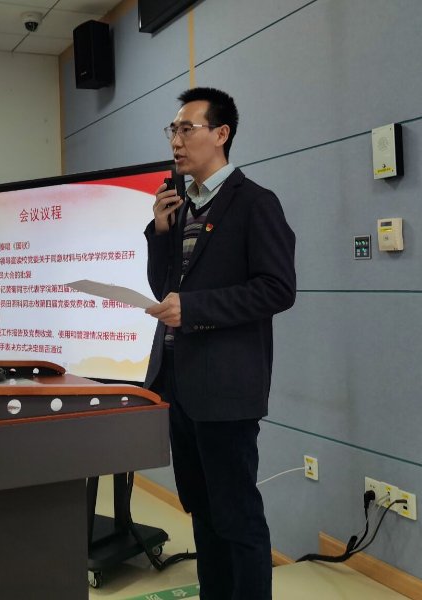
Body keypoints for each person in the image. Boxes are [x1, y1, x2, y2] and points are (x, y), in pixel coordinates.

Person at [143, 87, 296, 599]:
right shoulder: (180, 205)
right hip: (179, 385)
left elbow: (277, 289)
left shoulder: (255, 203)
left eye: (187, 129)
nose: (176, 140)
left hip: (226, 390)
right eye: (173, 130)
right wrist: (160, 230)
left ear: (221, 133)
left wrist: (196, 310)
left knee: (237, 516)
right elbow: (164, 290)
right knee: (202, 510)